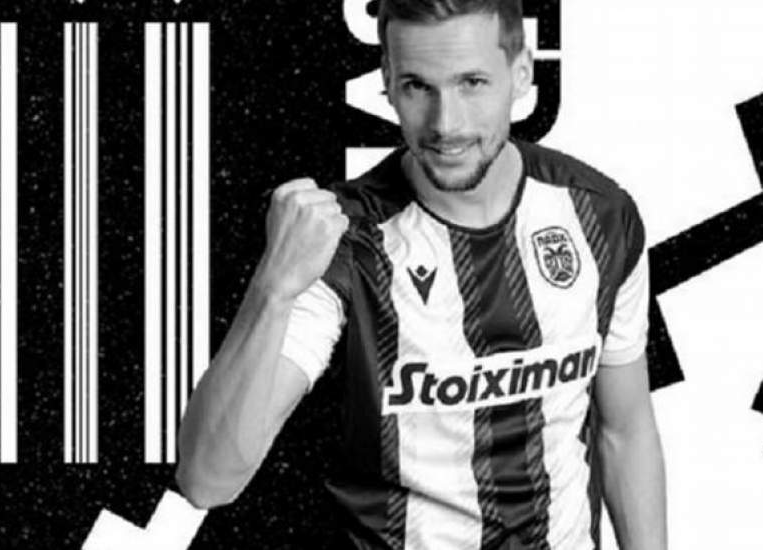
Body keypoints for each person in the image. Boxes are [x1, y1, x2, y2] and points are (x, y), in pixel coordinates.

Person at [176, 0, 667, 548]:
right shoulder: (345, 243)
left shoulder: (601, 216)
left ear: (522, 73)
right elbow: (207, 480)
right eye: (417, 86)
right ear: (387, 81)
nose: (445, 124)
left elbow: (624, 431)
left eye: (472, 83)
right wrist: (273, 288)